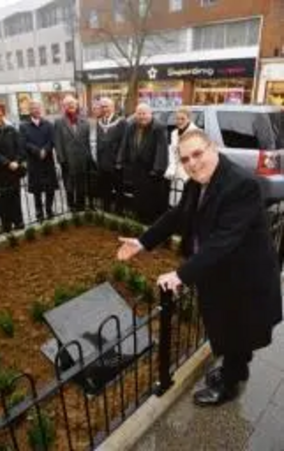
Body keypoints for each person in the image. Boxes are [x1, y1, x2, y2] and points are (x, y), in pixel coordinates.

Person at [117, 129, 282, 407]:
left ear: (213, 148)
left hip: (244, 276)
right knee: (230, 328)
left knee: (236, 329)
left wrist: (181, 274)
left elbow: (222, 242)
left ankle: (230, 384)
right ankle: (235, 368)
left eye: (197, 154)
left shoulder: (242, 185)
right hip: (221, 271)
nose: (192, 163)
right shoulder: (198, 181)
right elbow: (178, 214)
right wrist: (143, 242)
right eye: (185, 159)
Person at [117, 103, 169, 224]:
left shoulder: (159, 127)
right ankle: (139, 221)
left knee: (150, 200)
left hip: (151, 171)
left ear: (150, 114)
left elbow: (162, 150)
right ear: (135, 115)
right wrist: (120, 160)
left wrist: (157, 169)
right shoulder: (131, 126)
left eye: (144, 113)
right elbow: (124, 144)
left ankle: (149, 223)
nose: (142, 116)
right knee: (138, 197)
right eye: (139, 114)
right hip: (136, 169)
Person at [0, 104, 26, 232]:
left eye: (0, 115)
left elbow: (20, 147)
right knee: (3, 198)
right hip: (0, 171)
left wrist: (17, 161)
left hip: (14, 170)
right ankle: (6, 225)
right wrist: (8, 163)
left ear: (3, 115)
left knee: (15, 196)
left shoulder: (11, 129)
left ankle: (19, 222)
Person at [20, 101, 58, 221]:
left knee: (49, 188)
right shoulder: (24, 126)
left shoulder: (48, 124)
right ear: (29, 110)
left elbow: (52, 140)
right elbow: (24, 142)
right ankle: (39, 211)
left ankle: (49, 209)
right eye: (33, 108)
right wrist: (37, 151)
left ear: (41, 109)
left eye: (37, 108)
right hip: (34, 161)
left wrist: (45, 150)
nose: (36, 110)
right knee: (37, 189)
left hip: (47, 160)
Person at [54, 95, 91, 212]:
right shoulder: (59, 122)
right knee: (69, 185)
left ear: (76, 105)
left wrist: (88, 157)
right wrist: (61, 159)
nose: (71, 106)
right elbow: (57, 142)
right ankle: (71, 206)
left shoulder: (84, 121)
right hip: (67, 159)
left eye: (73, 104)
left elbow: (87, 141)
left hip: (81, 159)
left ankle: (81, 205)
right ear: (64, 106)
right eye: (68, 104)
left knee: (82, 184)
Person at [96, 97, 127, 213]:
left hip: (116, 163)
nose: (104, 109)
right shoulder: (99, 122)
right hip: (103, 163)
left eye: (107, 106)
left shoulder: (121, 121)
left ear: (113, 107)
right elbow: (99, 143)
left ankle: (119, 212)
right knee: (105, 189)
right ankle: (106, 210)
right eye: (102, 106)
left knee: (119, 189)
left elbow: (124, 143)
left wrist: (119, 161)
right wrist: (98, 161)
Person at [165, 106, 199, 206]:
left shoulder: (196, 132)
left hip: (189, 171)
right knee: (174, 199)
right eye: (177, 119)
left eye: (182, 118)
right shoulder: (174, 133)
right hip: (176, 170)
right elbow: (172, 151)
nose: (179, 121)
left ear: (189, 118)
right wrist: (171, 167)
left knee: (187, 200)